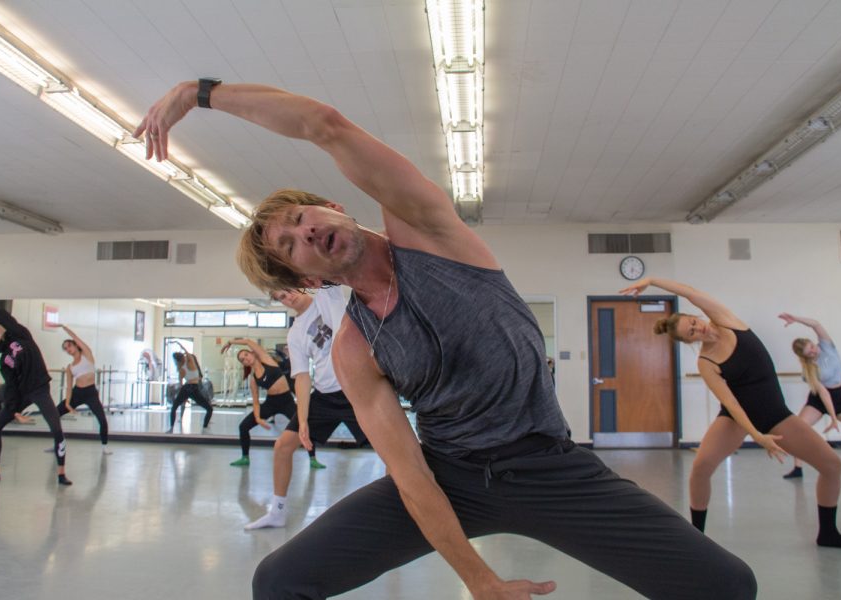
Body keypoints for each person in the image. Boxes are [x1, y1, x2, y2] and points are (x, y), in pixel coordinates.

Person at [137, 81, 756, 600]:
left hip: (551, 468)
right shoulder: (355, 347)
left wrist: (201, 93)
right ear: (305, 277)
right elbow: (409, 475)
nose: (307, 233)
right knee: (280, 581)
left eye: (303, 218)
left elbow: (324, 124)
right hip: (451, 476)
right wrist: (479, 581)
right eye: (290, 243)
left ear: (332, 206)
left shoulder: (427, 231)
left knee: (727, 586)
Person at [622, 278, 841, 551]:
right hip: (735, 419)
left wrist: (652, 280)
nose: (698, 329)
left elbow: (693, 292)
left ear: (697, 316)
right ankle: (697, 538)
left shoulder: (727, 320)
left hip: (776, 415)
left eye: (694, 323)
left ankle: (827, 533)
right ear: (689, 341)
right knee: (700, 468)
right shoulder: (706, 362)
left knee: (832, 465)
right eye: (691, 333)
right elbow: (732, 404)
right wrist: (757, 435)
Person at [242, 287, 367, 530]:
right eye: (281, 298)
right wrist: (302, 421)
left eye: (287, 290)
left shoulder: (325, 296)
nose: (288, 297)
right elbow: (301, 377)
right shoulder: (295, 333)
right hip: (324, 396)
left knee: (391, 453)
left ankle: (407, 507)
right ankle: (277, 511)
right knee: (282, 446)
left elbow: (326, 277)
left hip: (357, 390)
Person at [0, 296, 71, 485]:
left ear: (1, 324)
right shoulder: (4, 359)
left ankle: (61, 473)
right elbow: (11, 385)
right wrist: (14, 410)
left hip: (40, 389)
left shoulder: (21, 335)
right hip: (22, 393)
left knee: (56, 428)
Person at [222, 338, 324, 469]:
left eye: (246, 354)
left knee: (304, 426)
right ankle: (245, 457)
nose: (245, 359)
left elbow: (247, 341)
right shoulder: (253, 379)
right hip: (271, 403)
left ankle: (313, 458)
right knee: (243, 426)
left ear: (252, 353)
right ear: (244, 364)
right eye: (242, 359)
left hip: (286, 401)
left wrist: (231, 342)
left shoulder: (266, 359)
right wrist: (258, 418)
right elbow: (256, 402)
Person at [778, 313, 841, 479]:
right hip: (818, 401)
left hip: (838, 399)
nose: (814, 352)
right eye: (809, 353)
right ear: (805, 357)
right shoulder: (809, 370)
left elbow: (816, 324)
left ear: (812, 342)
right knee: (798, 430)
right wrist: (834, 418)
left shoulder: (827, 346)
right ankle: (798, 468)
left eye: (812, 347)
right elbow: (823, 394)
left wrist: (797, 319)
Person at [58, 325, 111, 454]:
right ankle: (59, 442)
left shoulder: (87, 354)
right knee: (55, 413)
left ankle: (104, 446)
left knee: (102, 420)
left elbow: (75, 337)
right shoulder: (69, 367)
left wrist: (64, 328)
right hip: (77, 393)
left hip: (91, 393)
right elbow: (69, 387)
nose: (68, 350)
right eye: (66, 349)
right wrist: (67, 404)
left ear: (75, 345)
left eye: (69, 346)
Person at [167, 346, 212, 433]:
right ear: (183, 357)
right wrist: (180, 345)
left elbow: (181, 384)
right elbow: (187, 353)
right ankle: (205, 428)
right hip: (194, 388)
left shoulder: (181, 369)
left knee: (174, 408)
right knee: (209, 409)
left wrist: (184, 397)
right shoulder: (191, 363)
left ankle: (171, 428)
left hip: (186, 388)